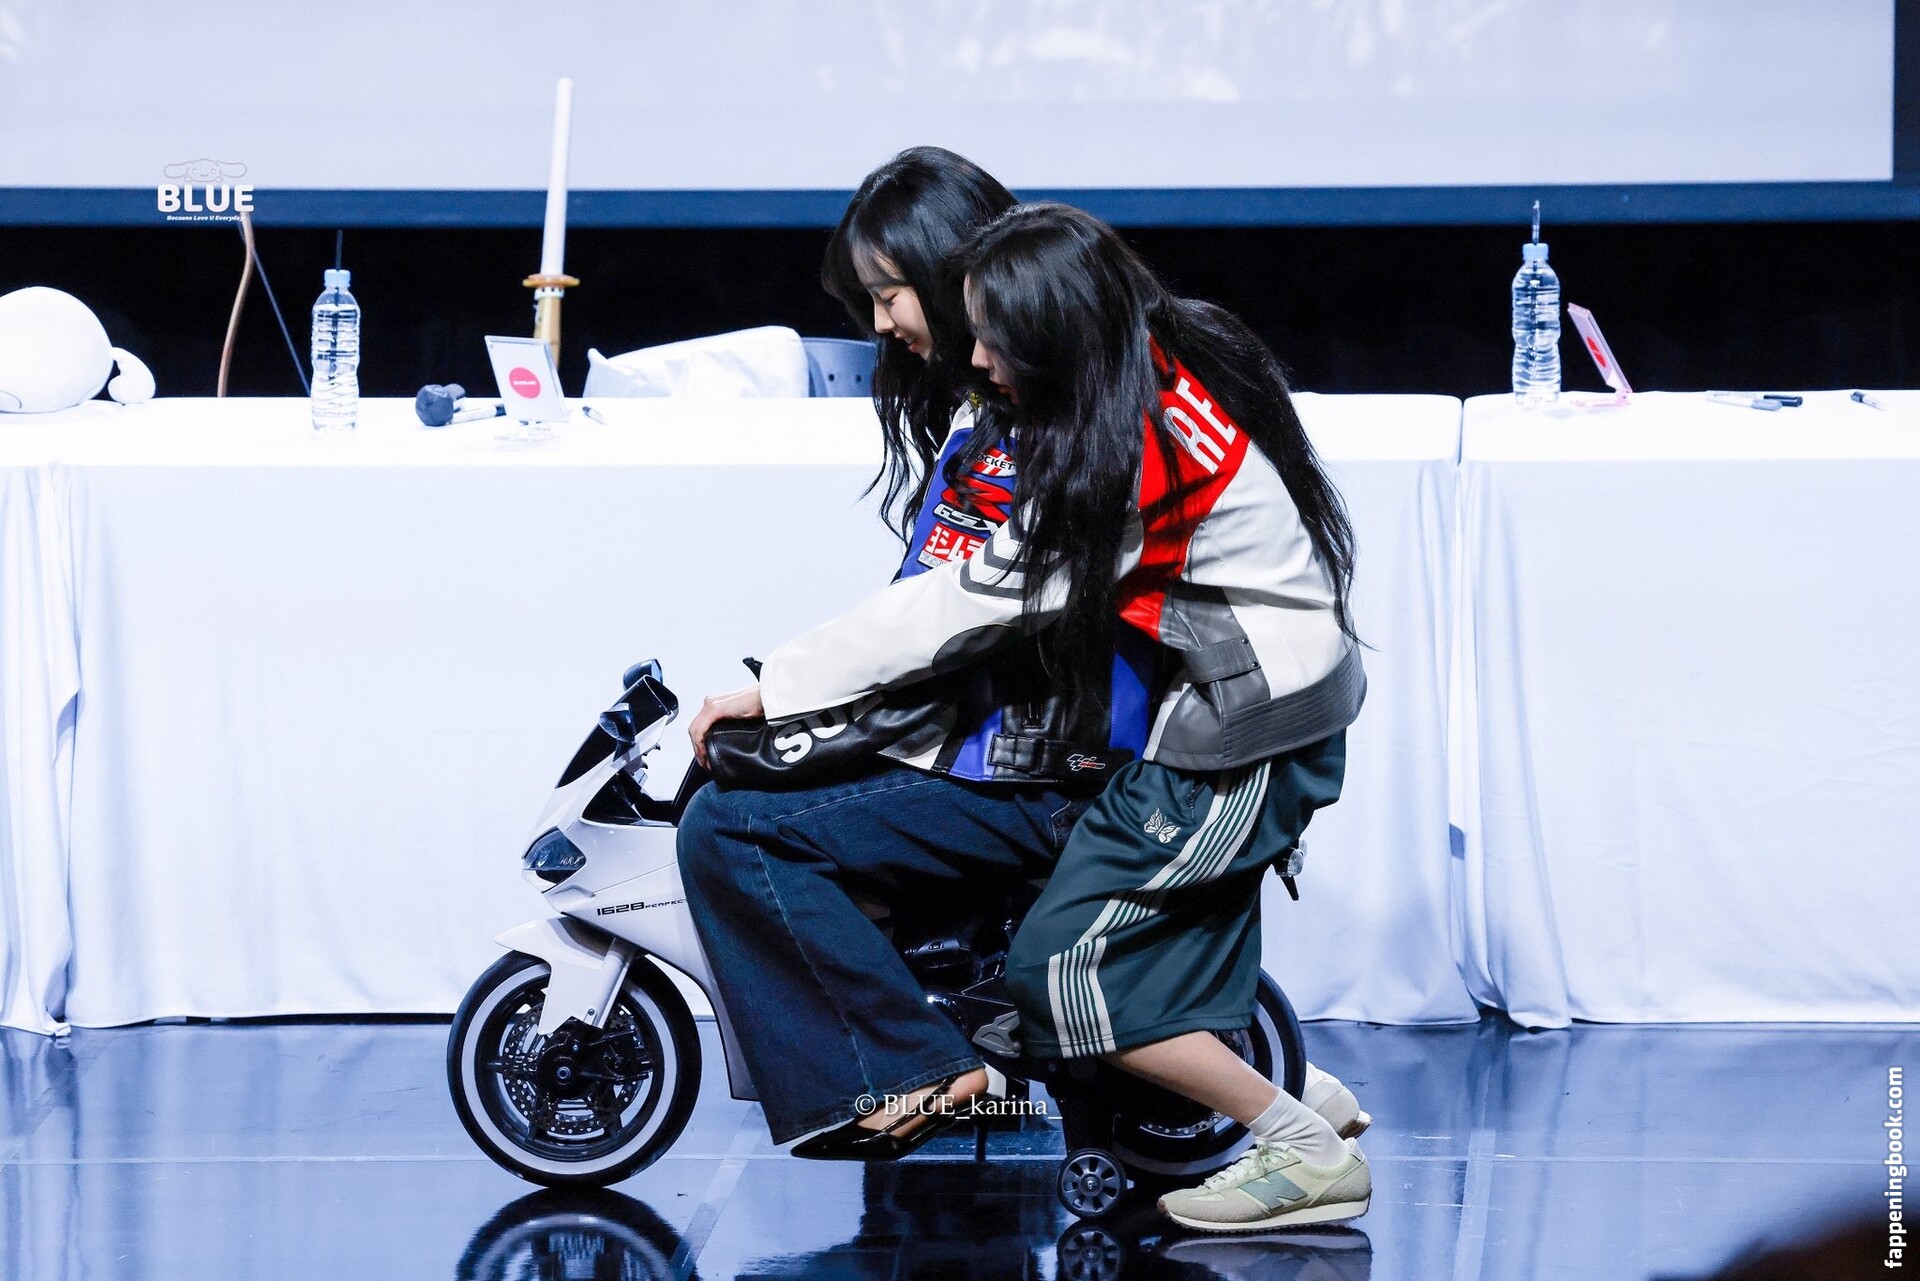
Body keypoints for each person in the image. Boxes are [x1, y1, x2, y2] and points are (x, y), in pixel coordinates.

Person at [678, 154, 1369, 1165]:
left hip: (1113, 746)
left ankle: (910, 1067)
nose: (881, 325)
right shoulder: (1088, 393)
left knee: (734, 828)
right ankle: (1278, 1097)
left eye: (888, 294)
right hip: (1096, 732)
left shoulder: (1077, 438)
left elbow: (969, 606)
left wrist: (788, 693)